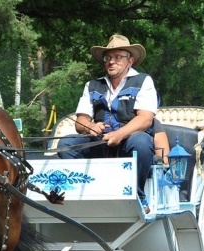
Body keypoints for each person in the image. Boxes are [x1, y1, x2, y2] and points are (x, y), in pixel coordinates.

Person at [56, 35, 169, 212]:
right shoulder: (92, 85)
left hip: (128, 143)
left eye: (118, 57)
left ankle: (138, 197)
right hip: (100, 143)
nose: (111, 62)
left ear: (130, 61)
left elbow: (145, 119)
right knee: (65, 144)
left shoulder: (143, 81)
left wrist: (119, 134)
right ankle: (89, 191)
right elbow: (81, 121)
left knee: (141, 141)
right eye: (108, 58)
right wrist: (91, 126)